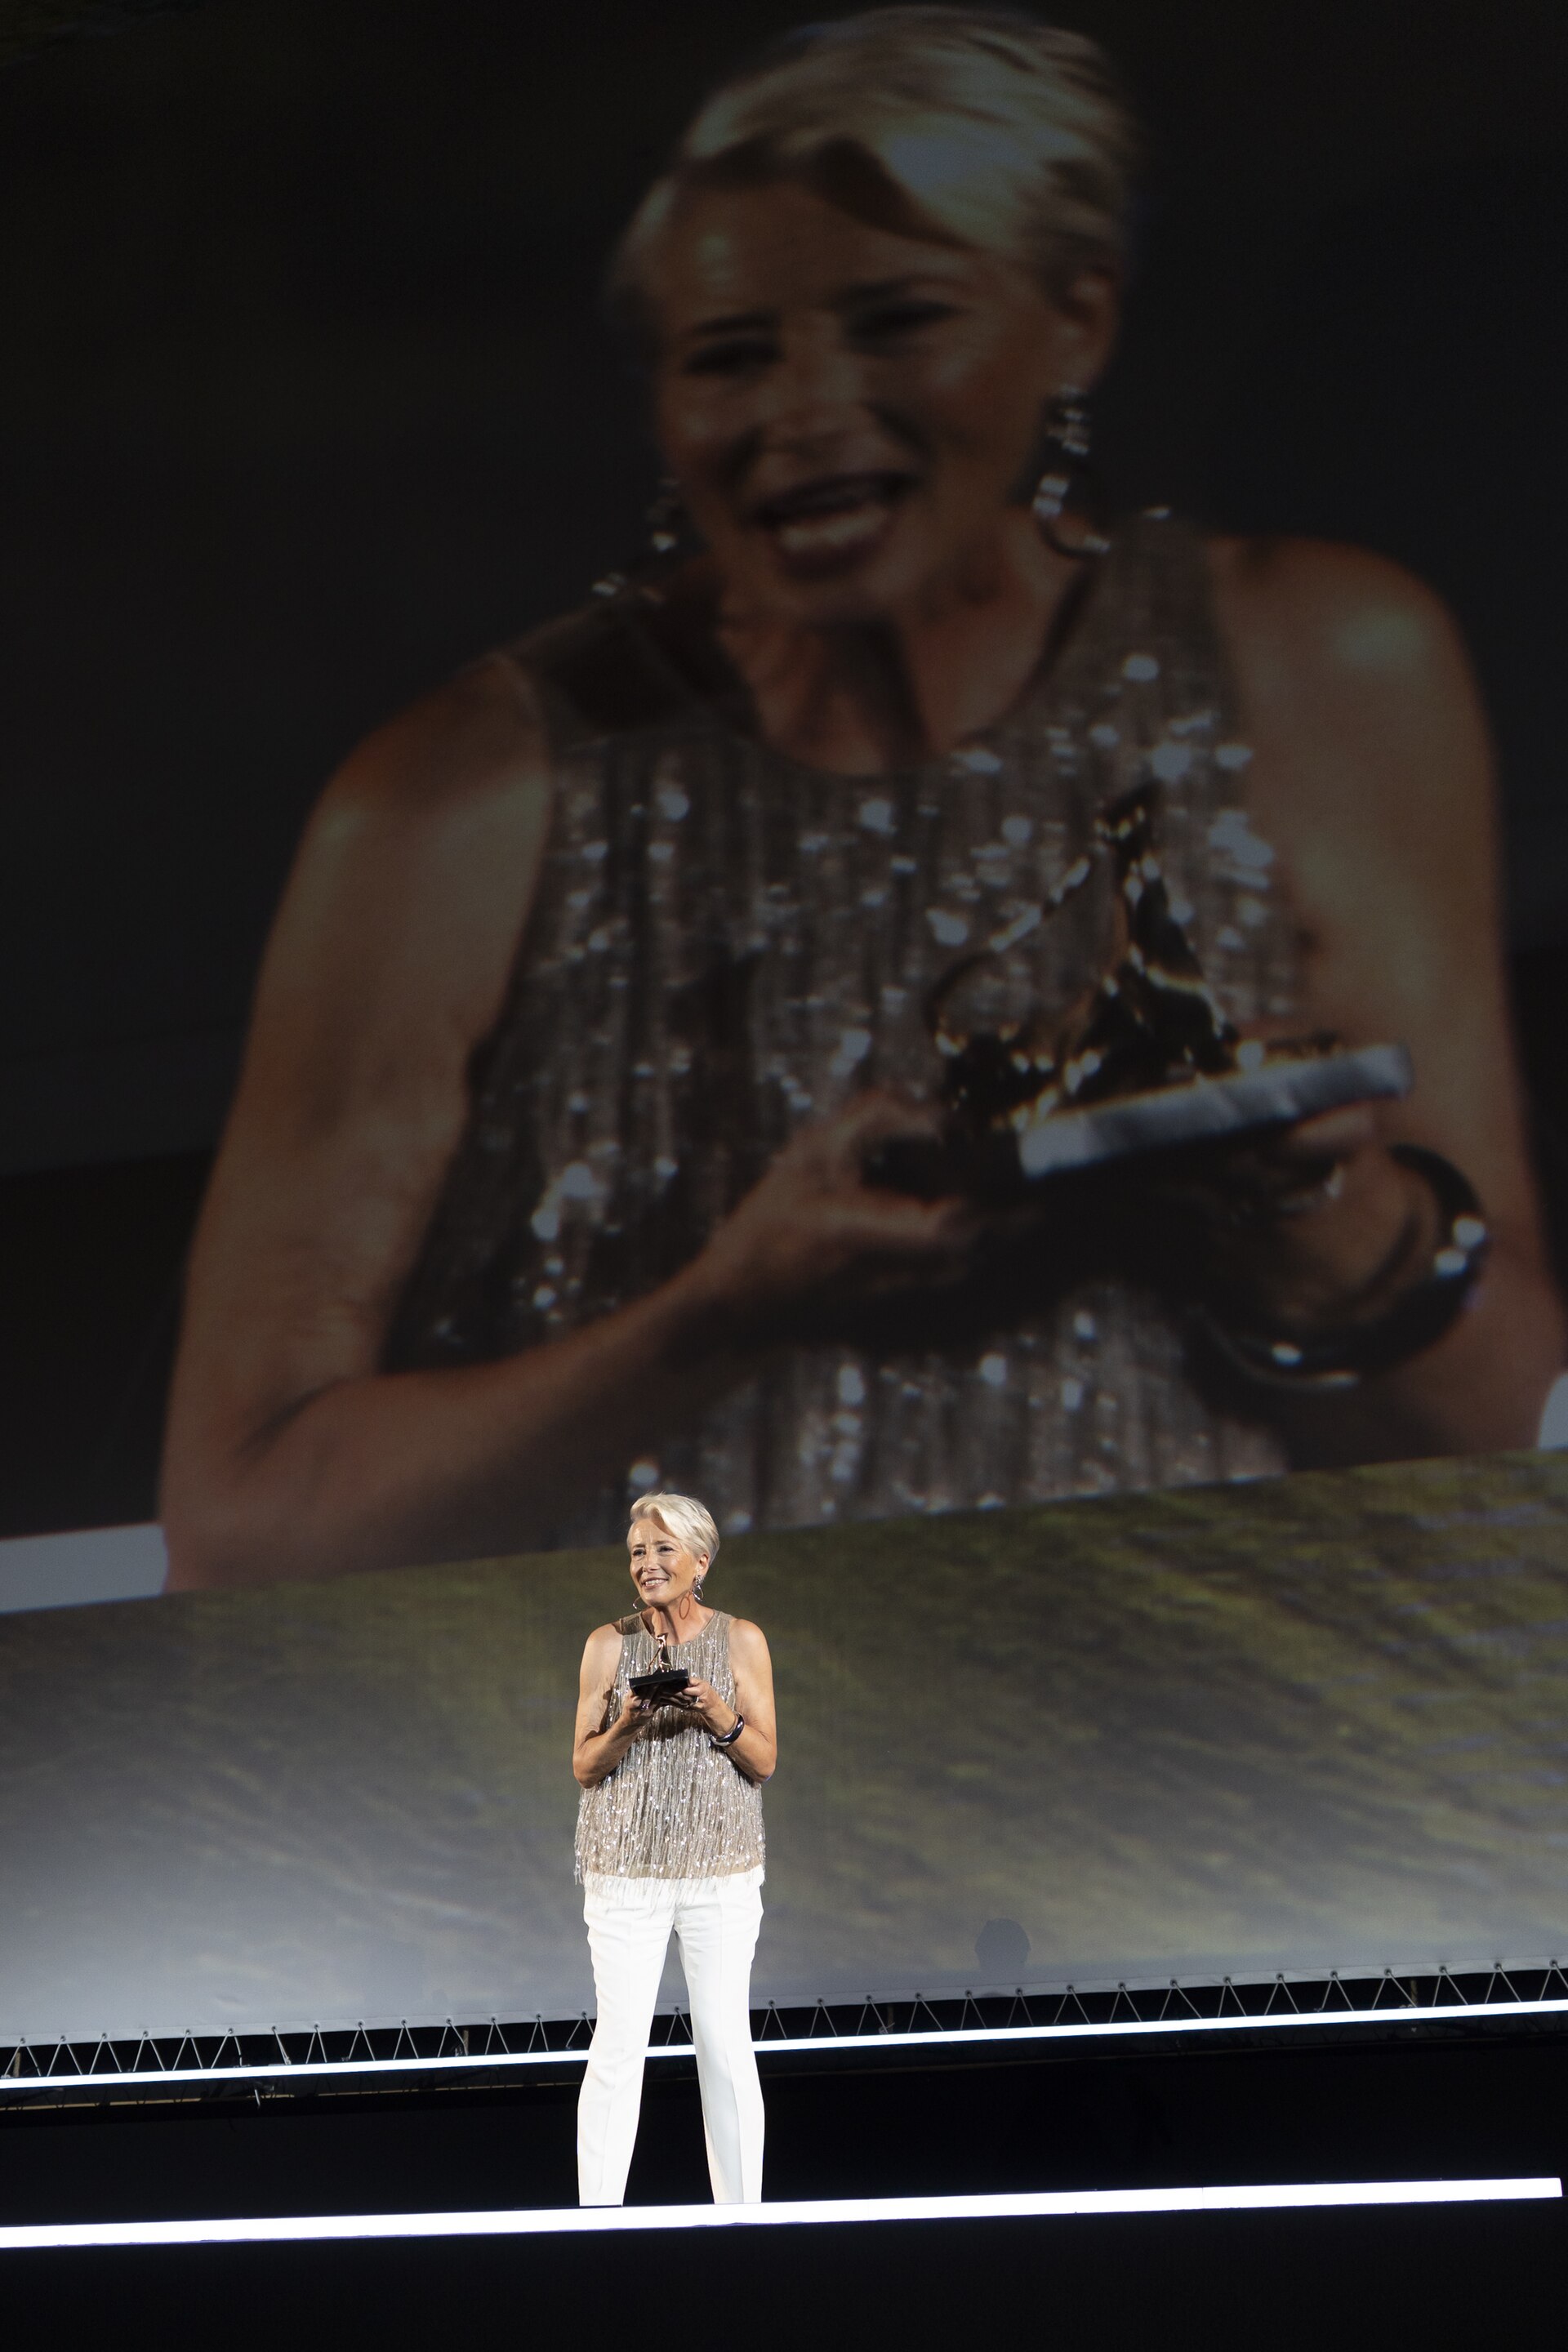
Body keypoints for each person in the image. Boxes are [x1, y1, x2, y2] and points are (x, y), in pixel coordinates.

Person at [161, 7, 1563, 1589]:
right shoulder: (457, 804)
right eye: (732, 357)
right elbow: (242, 1533)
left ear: (1077, 319)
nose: (805, 414)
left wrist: (1305, 1209)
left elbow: (1495, 1428)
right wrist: (724, 1313)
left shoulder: (1316, 667)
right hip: (672, 1794)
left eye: (898, 324)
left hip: (1218, 1778)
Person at [572, 1490, 776, 2206]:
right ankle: (597, 2220)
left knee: (723, 2044)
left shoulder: (740, 1639)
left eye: (662, 1550)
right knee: (619, 2046)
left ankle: (743, 2219)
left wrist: (715, 1710)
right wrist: (628, 1720)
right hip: (624, 1876)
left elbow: (765, 1759)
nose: (648, 1564)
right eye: (637, 1552)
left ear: (700, 1560)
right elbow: (583, 1766)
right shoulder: (608, 1643)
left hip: (720, 1875)